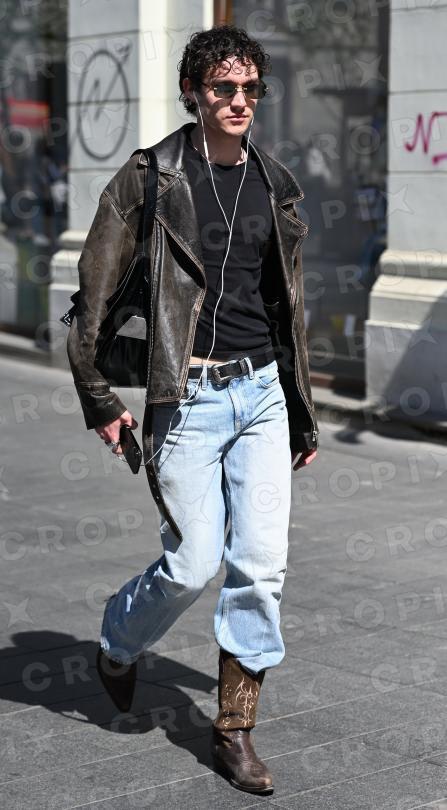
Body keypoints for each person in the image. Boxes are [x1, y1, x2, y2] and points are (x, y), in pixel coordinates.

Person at [67, 24, 318, 796]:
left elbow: (286, 308)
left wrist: (300, 408)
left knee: (261, 567)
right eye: (222, 88)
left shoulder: (274, 182)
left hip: (261, 393)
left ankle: (234, 728)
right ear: (193, 92)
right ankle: (118, 640)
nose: (239, 101)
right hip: (187, 395)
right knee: (192, 563)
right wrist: (100, 398)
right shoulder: (149, 178)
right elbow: (92, 296)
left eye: (249, 89)